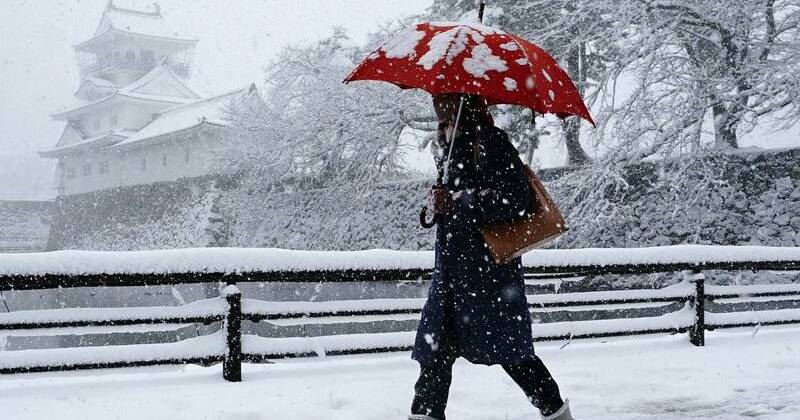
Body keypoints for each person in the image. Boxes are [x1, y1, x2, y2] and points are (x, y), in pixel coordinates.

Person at [409, 94, 574, 420]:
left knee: (515, 357)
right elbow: (453, 206)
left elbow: (517, 199)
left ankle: (556, 413)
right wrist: (437, 204)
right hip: (451, 279)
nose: (438, 109)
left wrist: (461, 201)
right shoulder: (447, 146)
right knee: (435, 356)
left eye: (443, 103)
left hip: (487, 278)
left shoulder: (490, 142)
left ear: (461, 105)